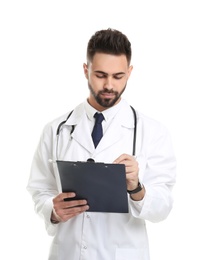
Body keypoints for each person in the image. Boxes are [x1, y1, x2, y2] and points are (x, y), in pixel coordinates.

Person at [27, 28, 176, 260]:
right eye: (100, 75)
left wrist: (136, 187)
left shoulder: (152, 132)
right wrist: (53, 210)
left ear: (129, 72)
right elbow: (39, 189)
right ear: (86, 71)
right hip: (69, 253)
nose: (109, 85)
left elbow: (163, 207)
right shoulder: (56, 130)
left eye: (118, 76)